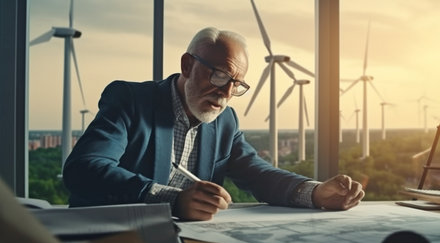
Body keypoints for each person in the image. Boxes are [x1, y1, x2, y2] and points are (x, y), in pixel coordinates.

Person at [63, 27, 365, 221]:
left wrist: (314, 193)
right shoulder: (130, 100)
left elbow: (257, 174)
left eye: (237, 84)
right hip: (113, 240)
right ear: (187, 65)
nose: (226, 92)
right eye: (220, 75)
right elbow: (84, 169)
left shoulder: (225, 122)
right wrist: (171, 200)